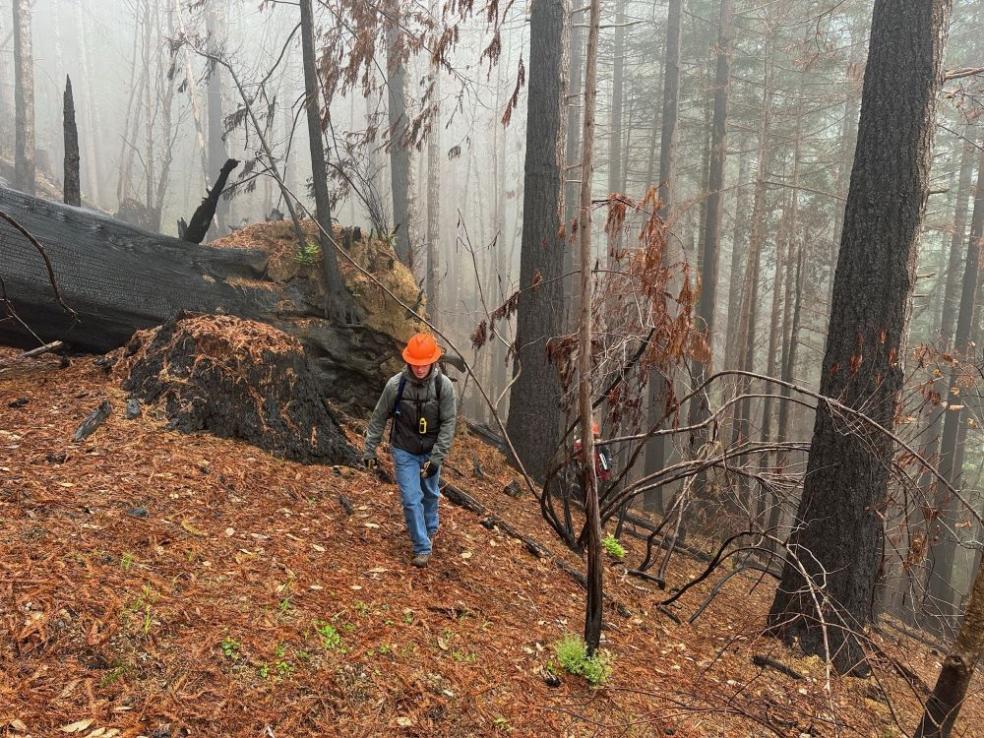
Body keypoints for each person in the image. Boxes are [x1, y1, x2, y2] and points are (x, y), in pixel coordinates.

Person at [362, 333, 457, 567]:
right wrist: (369, 449)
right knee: (411, 499)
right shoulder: (396, 385)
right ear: (408, 361)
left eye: (425, 363)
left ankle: (430, 527)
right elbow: (378, 418)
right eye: (416, 363)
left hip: (431, 450)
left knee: (430, 494)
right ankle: (422, 546)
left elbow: (448, 424)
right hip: (404, 449)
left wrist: (436, 458)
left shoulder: (442, 386)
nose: (420, 368)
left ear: (432, 361)